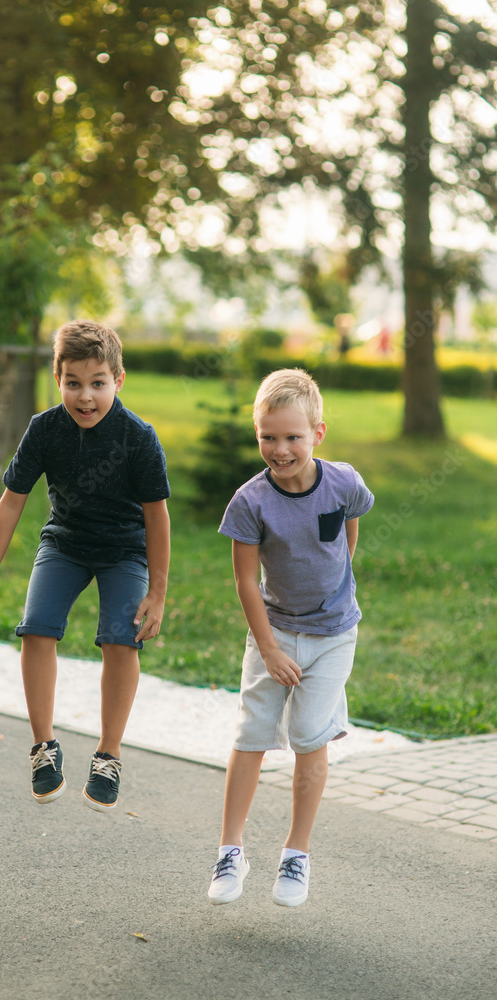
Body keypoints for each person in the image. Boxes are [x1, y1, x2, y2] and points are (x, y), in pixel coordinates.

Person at [0, 320, 171, 813]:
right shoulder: (44, 429)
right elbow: (11, 503)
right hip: (65, 544)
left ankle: (109, 755)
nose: (86, 396)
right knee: (36, 629)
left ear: (119, 380)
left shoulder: (139, 437)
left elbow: (157, 517)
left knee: (122, 638)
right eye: (73, 383)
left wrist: (157, 592)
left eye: (98, 383)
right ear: (58, 380)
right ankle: (43, 748)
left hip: (125, 551)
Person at [207, 368, 373, 907]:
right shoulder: (250, 502)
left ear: (317, 433)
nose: (280, 450)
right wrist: (271, 649)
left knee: (308, 736)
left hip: (333, 635)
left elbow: (349, 527)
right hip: (273, 630)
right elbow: (245, 584)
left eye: (292, 437)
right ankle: (230, 850)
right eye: (268, 437)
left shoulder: (344, 482)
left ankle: (295, 854)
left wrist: (340, 577)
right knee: (251, 733)